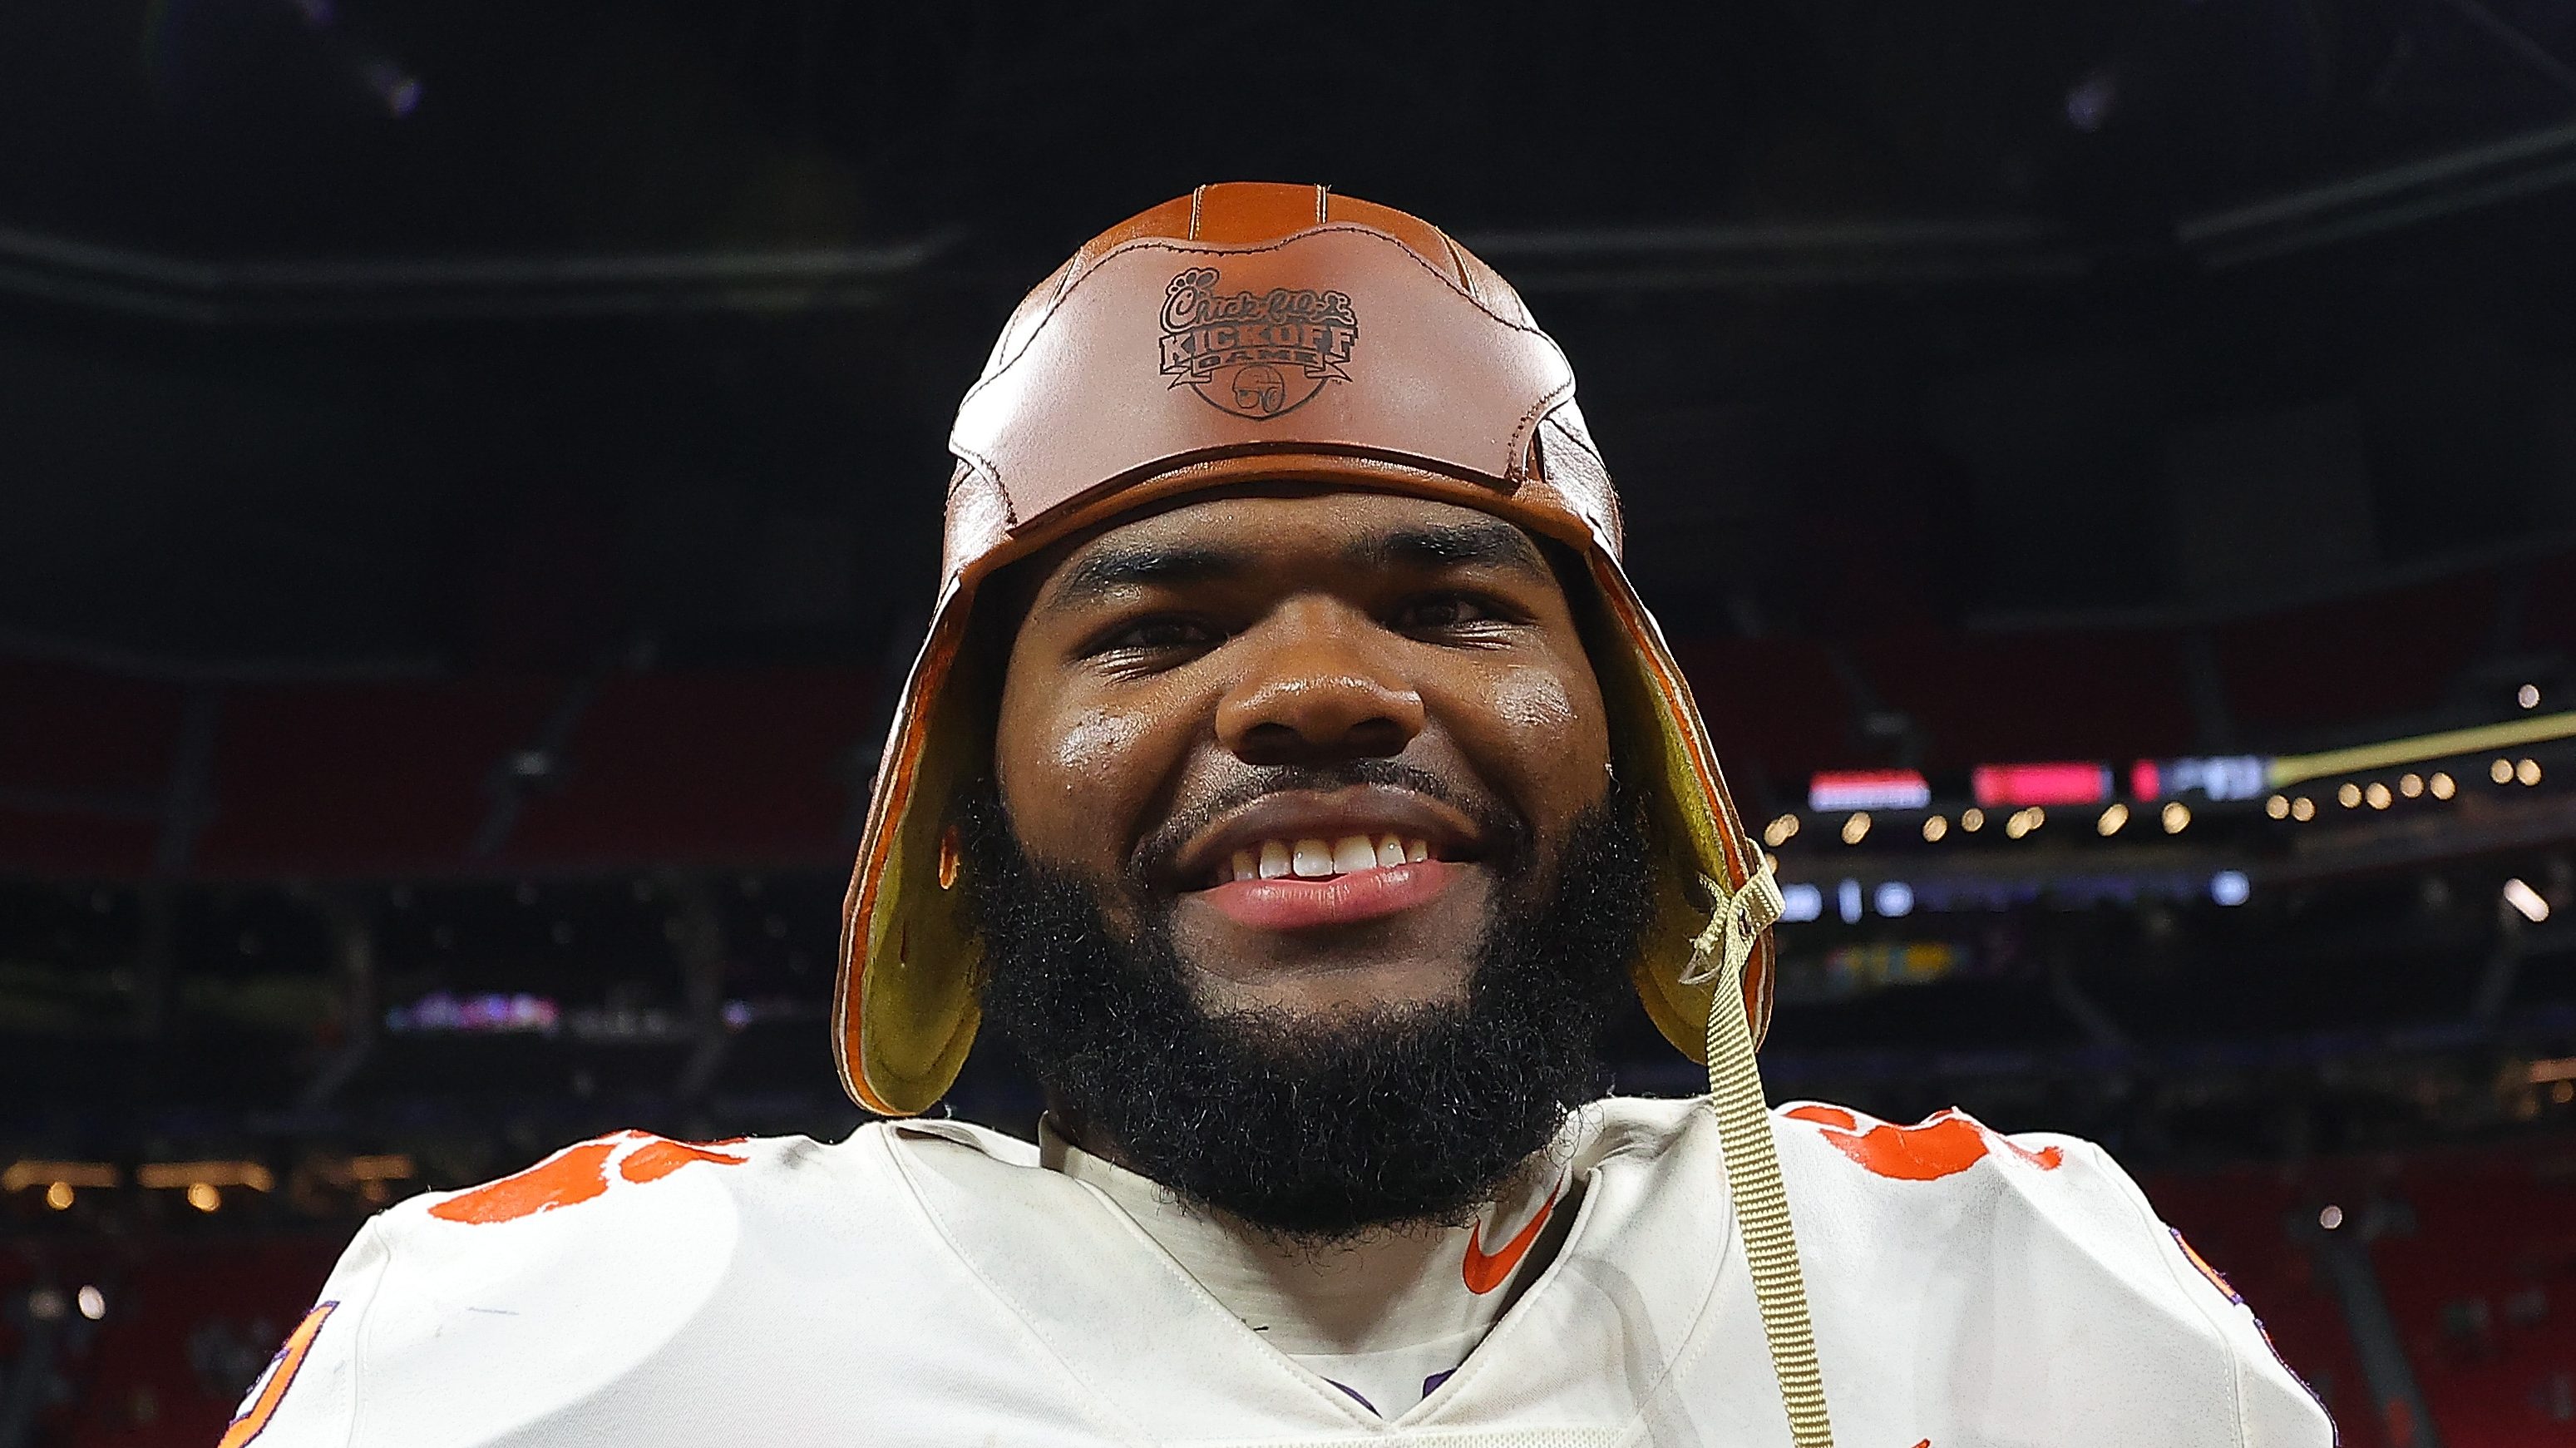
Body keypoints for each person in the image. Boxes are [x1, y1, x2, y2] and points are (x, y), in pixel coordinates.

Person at [228, 183, 2332, 1448]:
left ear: (1637, 747)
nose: (1323, 689)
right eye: (1155, 625)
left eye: (1448, 598)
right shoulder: (550, 1357)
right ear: (956, 806)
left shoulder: (2035, 1299)